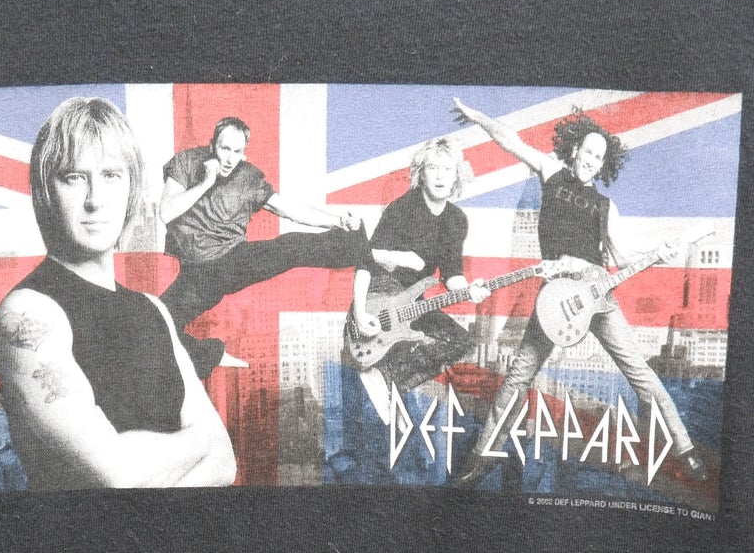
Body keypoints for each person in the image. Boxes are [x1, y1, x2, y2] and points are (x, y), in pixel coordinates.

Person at [449, 100, 704, 484]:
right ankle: (482, 457)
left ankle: (686, 449)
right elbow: (510, 140)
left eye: (598, 157)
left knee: (640, 372)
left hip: (597, 295)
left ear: (603, 164)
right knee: (518, 376)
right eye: (587, 151)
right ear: (574, 150)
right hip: (555, 298)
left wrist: (660, 254)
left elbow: (623, 257)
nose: (591, 160)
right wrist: (477, 117)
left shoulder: (605, 206)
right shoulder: (551, 173)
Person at [0, 96, 236, 489]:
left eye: (111, 175)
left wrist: (195, 449)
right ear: (47, 192)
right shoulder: (27, 313)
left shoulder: (153, 309)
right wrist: (201, 440)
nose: (95, 199)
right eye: (74, 177)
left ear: (131, 189)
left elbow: (225, 464)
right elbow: (119, 475)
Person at [159, 115, 370, 377]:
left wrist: (337, 221)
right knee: (155, 324)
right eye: (225, 149)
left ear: (244, 153)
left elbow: (288, 209)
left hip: (231, 260)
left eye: (237, 152)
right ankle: (211, 354)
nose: (230, 159)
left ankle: (359, 249)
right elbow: (166, 212)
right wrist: (205, 183)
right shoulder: (186, 162)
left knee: (290, 246)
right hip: (195, 275)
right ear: (212, 145)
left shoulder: (248, 177)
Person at [346, 133, 490, 419]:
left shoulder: (456, 220)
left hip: (413, 302)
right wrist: (360, 312)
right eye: (433, 168)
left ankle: (388, 380)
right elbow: (365, 256)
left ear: (457, 175)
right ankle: (384, 378)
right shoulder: (402, 209)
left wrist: (469, 290)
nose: (440, 176)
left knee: (460, 341)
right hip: (381, 292)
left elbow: (451, 275)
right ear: (421, 173)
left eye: (447, 169)